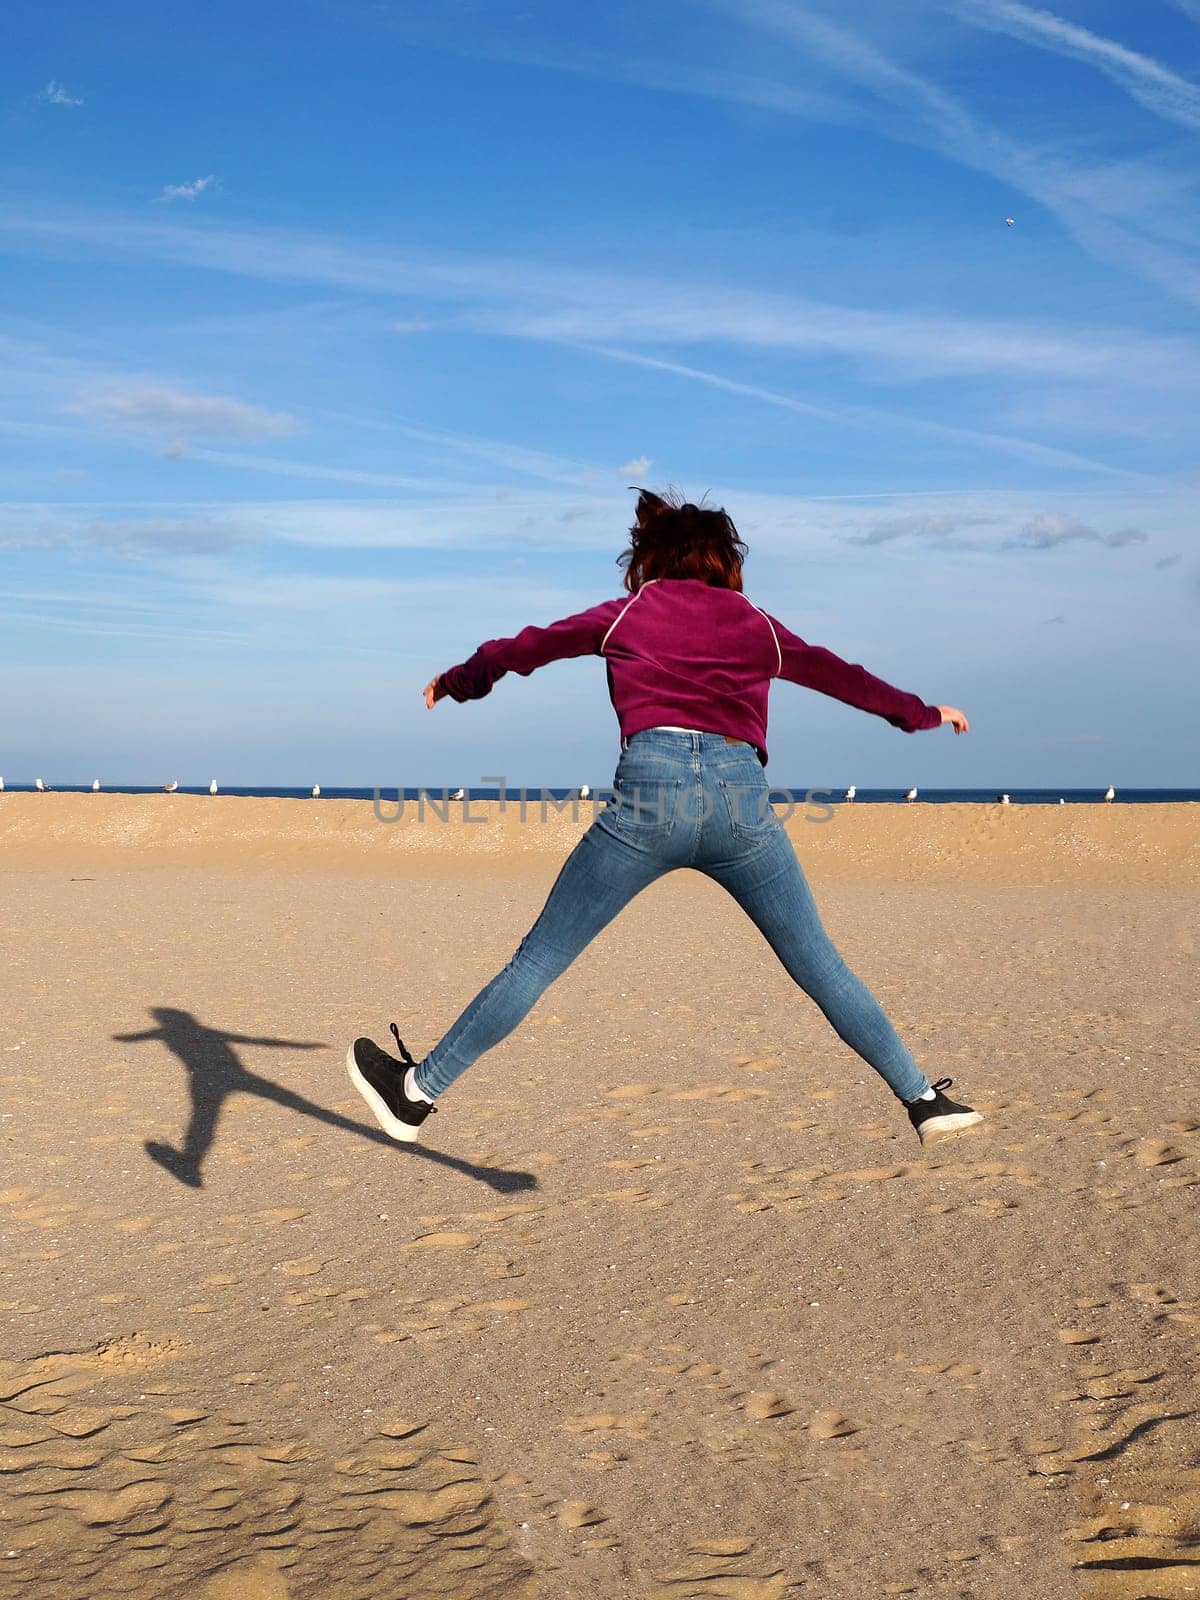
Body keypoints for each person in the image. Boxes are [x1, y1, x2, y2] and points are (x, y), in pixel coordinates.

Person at [347, 489, 983, 1150]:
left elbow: (528, 647)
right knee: (820, 963)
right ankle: (922, 1098)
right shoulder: (755, 623)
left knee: (539, 960)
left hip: (649, 795)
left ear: (652, 556)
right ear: (723, 560)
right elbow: (840, 674)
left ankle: (416, 1093)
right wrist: (920, 712)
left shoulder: (633, 613)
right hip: (742, 799)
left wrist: (458, 681)